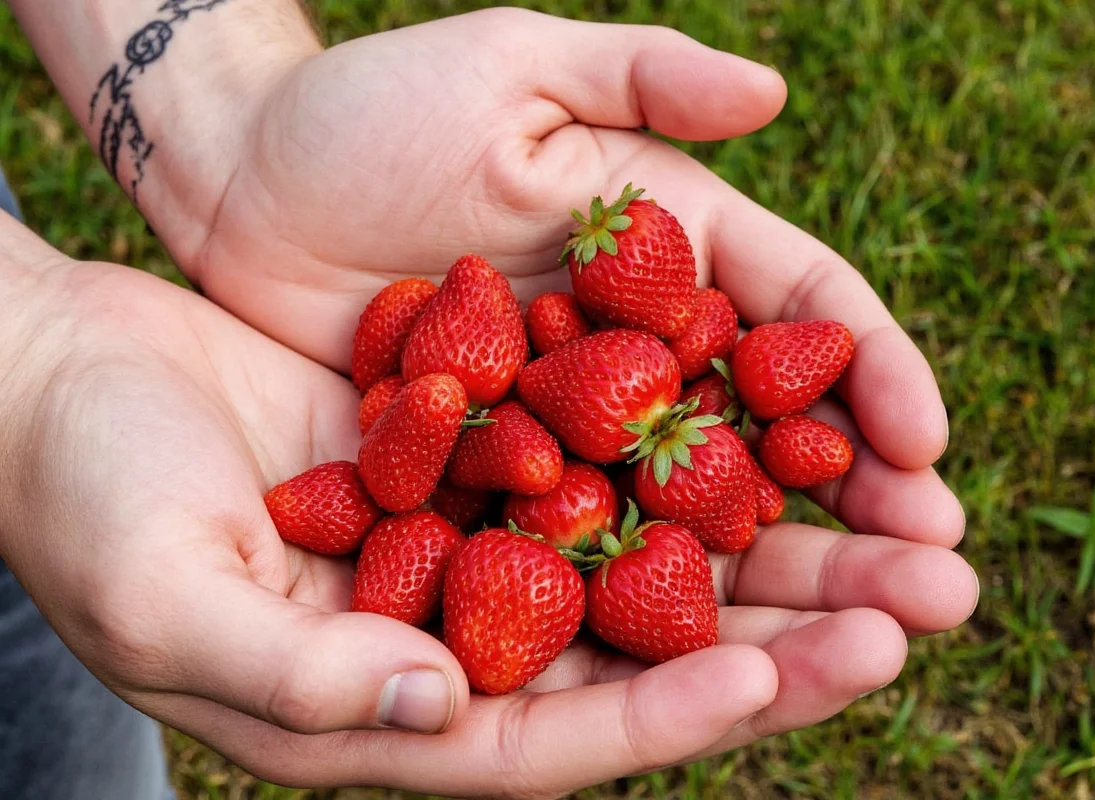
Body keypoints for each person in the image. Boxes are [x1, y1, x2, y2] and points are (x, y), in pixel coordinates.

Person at [0, 3, 978, 798]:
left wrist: (234, 119)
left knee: (47, 706)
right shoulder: (517, 407)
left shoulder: (570, 395)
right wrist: (32, 364)